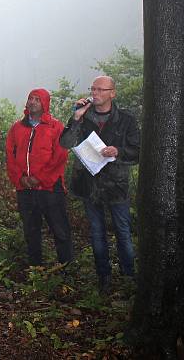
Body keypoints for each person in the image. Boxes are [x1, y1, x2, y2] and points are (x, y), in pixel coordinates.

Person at [60, 76, 140, 293]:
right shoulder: (83, 117)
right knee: (97, 232)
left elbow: (137, 152)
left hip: (116, 186)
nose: (95, 93)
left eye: (100, 89)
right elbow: (65, 143)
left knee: (123, 232)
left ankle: (128, 276)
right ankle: (103, 276)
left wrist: (118, 152)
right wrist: (76, 118)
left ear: (112, 93)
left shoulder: (126, 120)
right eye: (92, 88)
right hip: (89, 185)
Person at [5, 88, 72, 267]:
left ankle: (66, 269)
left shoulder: (55, 127)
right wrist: (20, 179)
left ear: (45, 104)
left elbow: (60, 157)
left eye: (37, 99)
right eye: (30, 98)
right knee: (31, 231)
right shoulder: (17, 128)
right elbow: (10, 156)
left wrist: (39, 178)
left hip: (50, 189)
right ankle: (35, 270)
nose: (32, 102)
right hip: (25, 190)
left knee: (60, 230)